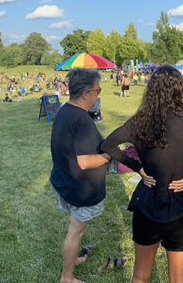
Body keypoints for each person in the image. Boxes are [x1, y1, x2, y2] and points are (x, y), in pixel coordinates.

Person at [95, 65, 183, 283]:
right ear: (180, 89)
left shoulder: (141, 120)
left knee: (140, 276)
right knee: (178, 279)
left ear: (151, 90)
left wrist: (137, 167)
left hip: (148, 204)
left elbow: (108, 145)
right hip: (180, 207)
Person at [49, 68, 119, 283]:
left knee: (76, 229)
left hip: (65, 182)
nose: (99, 94)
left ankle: (71, 262)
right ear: (87, 93)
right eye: (98, 90)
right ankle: (66, 277)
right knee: (75, 232)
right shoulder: (82, 120)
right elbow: (85, 161)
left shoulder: (65, 110)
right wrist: (109, 155)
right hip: (79, 188)